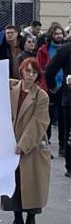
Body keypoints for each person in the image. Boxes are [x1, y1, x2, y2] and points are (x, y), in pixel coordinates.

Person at [1, 58, 51, 224]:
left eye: (34, 72)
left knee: (32, 184)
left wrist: (23, 144)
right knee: (13, 184)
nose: (30, 75)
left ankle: (31, 221)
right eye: (27, 71)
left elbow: (39, 122)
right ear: (21, 70)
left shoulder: (41, 96)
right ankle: (17, 220)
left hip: (32, 146)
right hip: (10, 143)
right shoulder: (11, 88)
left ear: (38, 75)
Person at [44, 40, 71, 176]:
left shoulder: (65, 48)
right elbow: (49, 70)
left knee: (69, 133)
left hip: (68, 97)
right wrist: (53, 87)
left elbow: (49, 70)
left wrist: (53, 86)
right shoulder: (65, 49)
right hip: (68, 98)